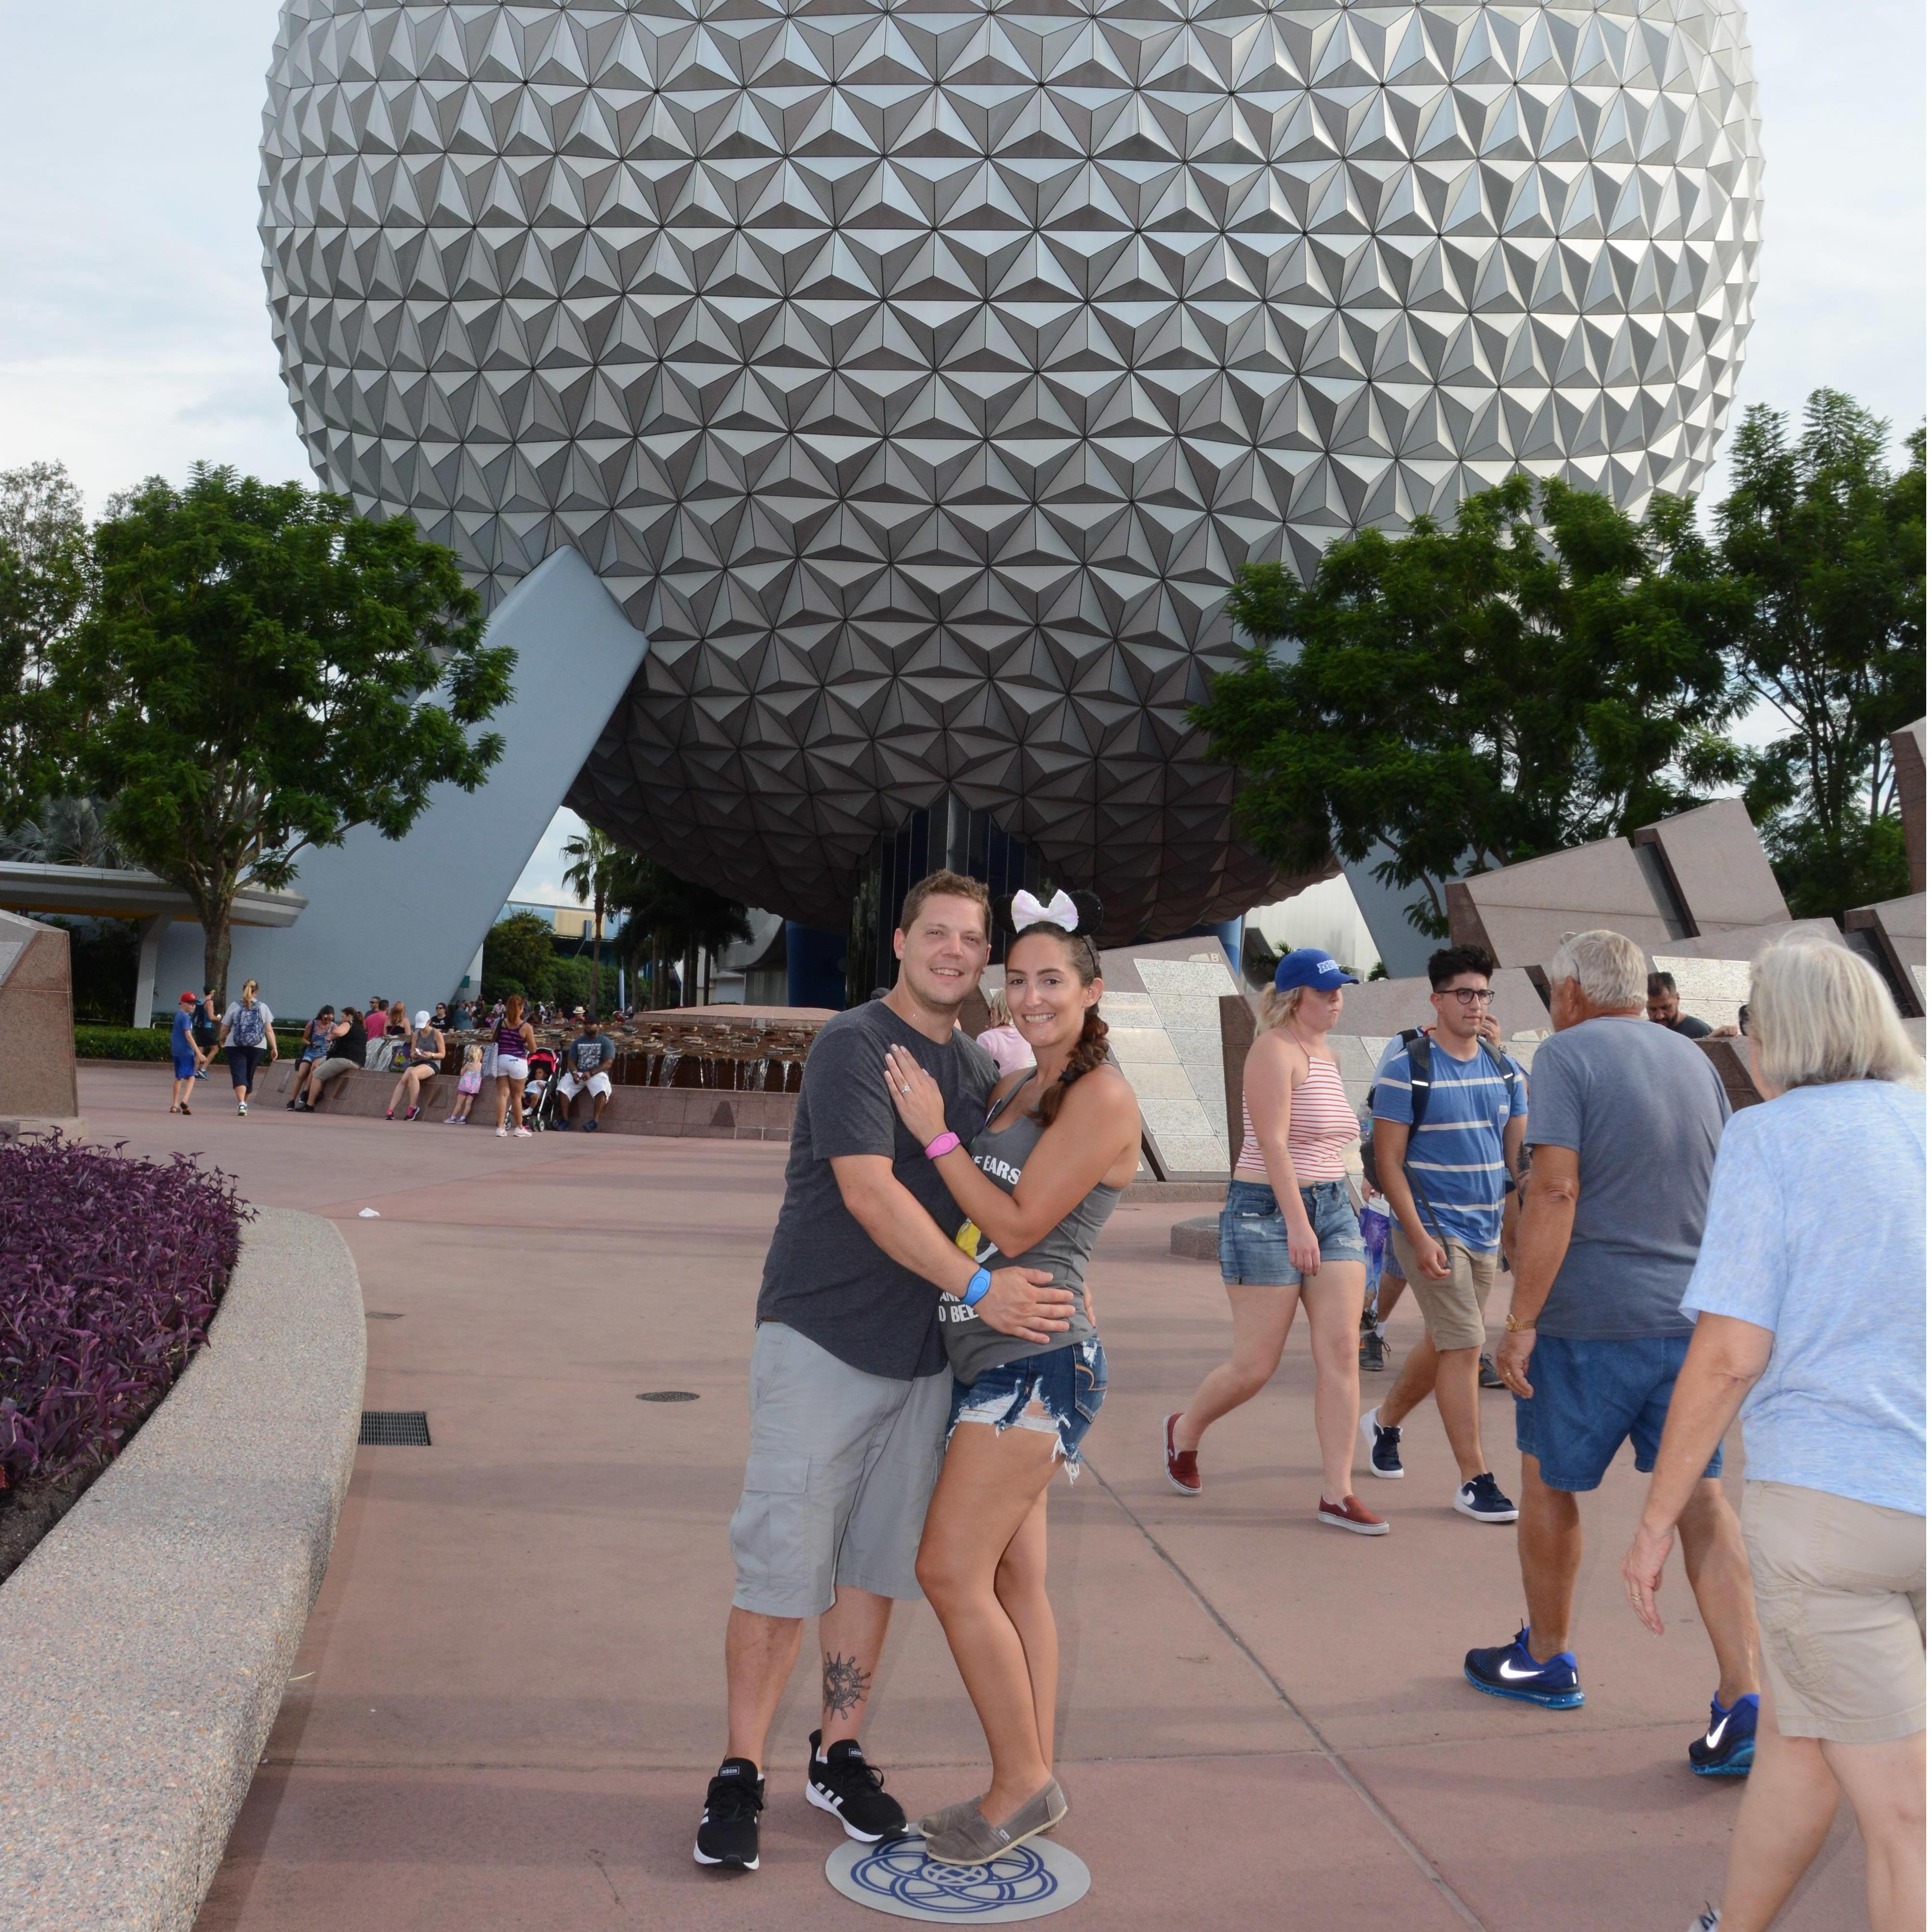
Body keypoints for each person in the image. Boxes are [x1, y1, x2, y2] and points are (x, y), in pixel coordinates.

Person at [694, 871, 1075, 1876]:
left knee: (870, 1568)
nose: (954, 950)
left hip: (921, 1361)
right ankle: (739, 1767)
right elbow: (867, 1193)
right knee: (783, 1565)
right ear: (900, 941)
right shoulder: (855, 1044)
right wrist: (980, 1288)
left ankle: (837, 1747)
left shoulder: (974, 1067)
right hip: (822, 1339)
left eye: (970, 939)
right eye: (936, 933)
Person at [1618, 938, 1925, 1932]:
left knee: (1903, 1820)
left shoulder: (1770, 1137)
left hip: (1831, 1515)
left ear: (1773, 1035)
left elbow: (1726, 1352)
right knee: (1801, 1738)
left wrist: (1657, 1514)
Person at [878, 888, 1139, 1862]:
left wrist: (933, 1129)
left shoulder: (1099, 1090)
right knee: (1015, 1575)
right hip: (992, 1353)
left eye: (1052, 980)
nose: (1030, 997)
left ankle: (1019, 1782)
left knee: (947, 1568)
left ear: (1090, 988)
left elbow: (1022, 1221)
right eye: (1018, 979)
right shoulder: (1024, 1081)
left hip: (1032, 1363)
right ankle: (1024, 1775)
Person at [1468, 930, 1759, 1769]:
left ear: (1569, 992)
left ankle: (1547, 1653)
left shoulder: (1563, 1056)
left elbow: (1555, 1186)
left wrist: (1519, 1319)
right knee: (1701, 1500)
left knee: (1549, 1482)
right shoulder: (1694, 1061)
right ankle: (1740, 1696)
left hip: (1590, 1321)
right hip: (1689, 1320)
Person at [1163, 949, 1382, 1534]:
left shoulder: (1327, 1054)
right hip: (1266, 1212)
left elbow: (1330, 1141)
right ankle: (1184, 1432)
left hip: (1334, 1209)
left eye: (1340, 989)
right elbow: (1275, 1144)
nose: (1337, 998)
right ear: (1293, 997)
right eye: (1326, 990)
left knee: (1340, 1350)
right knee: (1255, 1365)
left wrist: (1351, 1193)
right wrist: (1297, 1223)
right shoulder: (1272, 1051)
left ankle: (1337, 1491)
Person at [1359, 946, 1525, 1524]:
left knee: (1445, 1340)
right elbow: (1389, 1162)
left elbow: (1513, 1168)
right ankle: (1474, 1479)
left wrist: (1518, 1244)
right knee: (1463, 1344)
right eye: (1463, 994)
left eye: (1482, 994)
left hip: (1483, 1231)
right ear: (1437, 999)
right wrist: (1417, 1232)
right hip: (1430, 1228)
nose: (1475, 1004)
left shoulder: (1506, 1070)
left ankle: (1383, 1423)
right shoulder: (1407, 1067)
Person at [219, 979, 277, 1117]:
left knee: (239, 1073)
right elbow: (269, 1030)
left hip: (235, 1044)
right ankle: (244, 1104)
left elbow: (225, 1027)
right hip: (257, 1046)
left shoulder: (235, 1006)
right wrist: (274, 1048)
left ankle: (241, 1103)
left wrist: (222, 1039)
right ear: (256, 992)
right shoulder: (263, 1007)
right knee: (249, 1075)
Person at [556, 1008, 617, 1130]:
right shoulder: (577, 1042)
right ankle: (565, 1120)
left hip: (597, 1073)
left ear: (598, 1027)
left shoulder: (606, 1042)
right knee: (563, 1087)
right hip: (579, 1072)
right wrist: (574, 1073)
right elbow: (571, 1061)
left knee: (602, 1090)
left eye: (591, 1024)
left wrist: (592, 1073)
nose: (588, 1026)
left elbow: (608, 1063)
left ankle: (594, 1121)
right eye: (586, 1024)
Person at [300, 1001, 368, 1110]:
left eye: (343, 1016)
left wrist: (332, 1037)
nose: (341, 1019)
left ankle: (309, 1105)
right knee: (316, 1063)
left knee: (317, 1074)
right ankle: (312, 1091)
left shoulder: (348, 1023)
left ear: (350, 1016)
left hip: (345, 1058)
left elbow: (338, 1032)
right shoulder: (360, 1028)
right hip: (356, 1060)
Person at [386, 1010, 445, 1120]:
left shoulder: (436, 1033)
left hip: (432, 1063)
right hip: (418, 1061)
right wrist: (416, 1054)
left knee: (413, 1074)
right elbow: (412, 1053)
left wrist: (431, 1055)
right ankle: (391, 1110)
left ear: (429, 1022)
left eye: (424, 1026)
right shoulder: (417, 1034)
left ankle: (413, 1107)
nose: (422, 1029)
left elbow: (442, 1054)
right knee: (404, 1079)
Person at [1648, 970, 1739, 1040]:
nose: (1660, 1016)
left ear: (1678, 999)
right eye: (1653, 1009)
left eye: (1666, 1007)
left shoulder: (1700, 1031)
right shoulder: (1644, 1031)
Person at [972, 986, 1034, 1079]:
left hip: (994, 1091)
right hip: (1017, 1089)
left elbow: (978, 1073)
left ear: (993, 1013)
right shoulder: (1026, 1037)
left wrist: (991, 1034)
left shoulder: (986, 1039)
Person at [286, 1005, 336, 1110]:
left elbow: (335, 1039)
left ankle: (306, 1092)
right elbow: (304, 1039)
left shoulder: (334, 1027)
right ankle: (291, 1101)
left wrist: (331, 1039)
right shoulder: (313, 1024)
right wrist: (310, 1044)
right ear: (322, 1016)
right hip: (310, 1052)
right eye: (325, 1019)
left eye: (330, 1019)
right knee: (301, 1075)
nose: (327, 1022)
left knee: (315, 1067)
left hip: (323, 1053)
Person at [169, 991, 205, 1113]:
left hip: (176, 1051)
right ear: (183, 1003)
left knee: (179, 1076)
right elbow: (188, 1036)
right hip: (186, 1051)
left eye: (194, 1003)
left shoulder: (178, 1015)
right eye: (190, 1003)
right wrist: (199, 1053)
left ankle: (175, 1105)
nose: (193, 1005)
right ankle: (184, 1100)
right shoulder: (185, 1017)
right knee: (191, 1077)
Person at [445, 1044, 486, 1123]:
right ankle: (463, 1118)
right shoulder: (482, 1067)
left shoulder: (468, 1065)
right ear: (481, 1056)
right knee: (468, 1103)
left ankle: (453, 1117)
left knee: (459, 1104)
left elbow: (462, 1074)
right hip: (474, 1088)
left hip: (464, 1086)